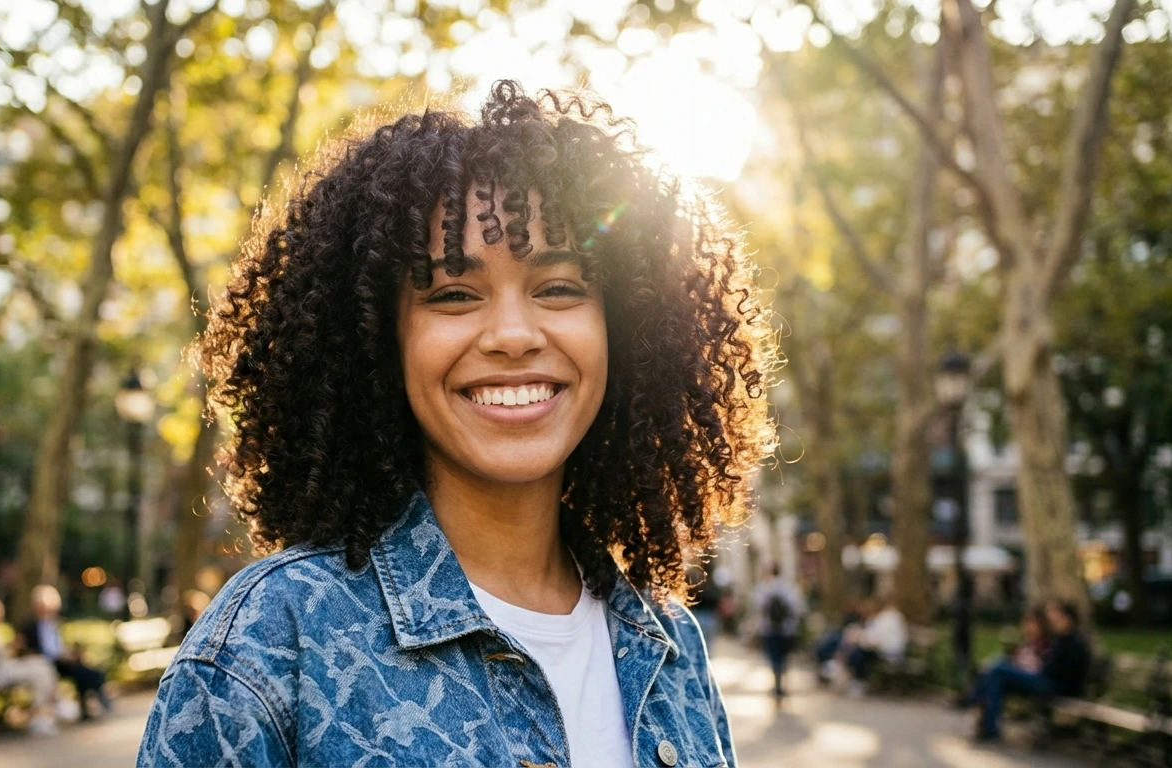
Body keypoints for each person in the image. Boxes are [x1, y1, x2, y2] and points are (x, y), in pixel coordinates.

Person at [137, 80, 775, 767]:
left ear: (627, 331)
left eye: (559, 288)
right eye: (453, 294)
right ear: (380, 343)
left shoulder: (668, 645)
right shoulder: (272, 641)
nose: (511, 334)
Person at [973, 600, 1091, 743]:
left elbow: (1066, 672)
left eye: (1058, 618)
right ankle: (988, 726)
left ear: (1068, 619)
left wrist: (1045, 667)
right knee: (995, 675)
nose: (1055, 622)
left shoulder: (1075, 643)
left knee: (998, 671)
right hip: (1046, 681)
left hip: (1057, 686)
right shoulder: (1061, 639)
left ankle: (983, 719)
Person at [0, 597, 61, 736]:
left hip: (4, 669)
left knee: (42, 665)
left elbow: (1, 654)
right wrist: (8, 649)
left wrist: (12, 649)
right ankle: (41, 716)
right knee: (39, 671)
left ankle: (45, 713)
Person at [19, 584, 112, 719]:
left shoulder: (55, 623)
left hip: (62, 660)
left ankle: (89, 703)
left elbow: (60, 646)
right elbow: (31, 649)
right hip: (45, 663)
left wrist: (70, 654)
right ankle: (94, 700)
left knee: (85, 670)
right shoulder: (29, 626)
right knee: (80, 670)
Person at [751, 565, 805, 701]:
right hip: (787, 630)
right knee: (784, 657)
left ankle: (777, 684)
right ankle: (782, 684)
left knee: (773, 657)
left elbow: (757, 607)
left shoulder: (764, 588)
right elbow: (797, 607)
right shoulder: (789, 588)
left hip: (769, 629)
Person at [844, 597, 908, 696]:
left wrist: (862, 639)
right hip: (892, 651)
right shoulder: (889, 617)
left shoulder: (885, 619)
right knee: (860, 651)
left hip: (890, 653)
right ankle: (858, 680)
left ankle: (859, 681)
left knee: (860, 653)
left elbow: (878, 641)